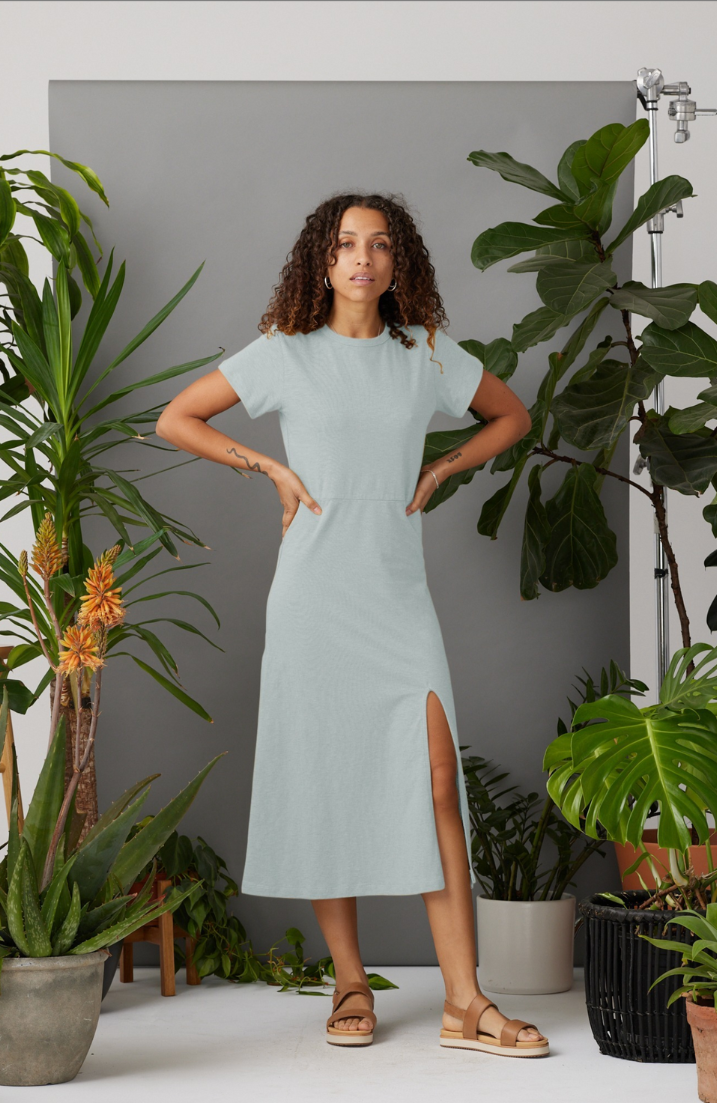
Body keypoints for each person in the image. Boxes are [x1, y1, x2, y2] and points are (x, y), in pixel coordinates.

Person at [156, 191, 548, 1058]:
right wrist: (268, 468)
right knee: (326, 780)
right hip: (313, 599)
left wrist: (444, 465)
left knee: (435, 782)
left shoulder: (425, 353)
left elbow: (512, 415)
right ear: (322, 261)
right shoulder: (285, 352)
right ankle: (350, 979)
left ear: (399, 261)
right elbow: (176, 418)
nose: (362, 258)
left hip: (398, 601)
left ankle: (464, 1001)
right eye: (345, 244)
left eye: (379, 244)